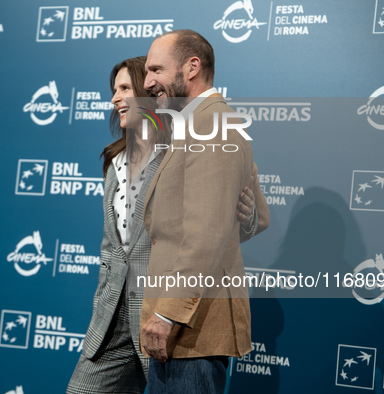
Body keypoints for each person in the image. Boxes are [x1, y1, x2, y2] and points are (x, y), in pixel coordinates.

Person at [66, 55, 268, 394]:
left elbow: (237, 222)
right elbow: (113, 245)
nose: (115, 98)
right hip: (111, 315)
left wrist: (245, 217)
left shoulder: (190, 142)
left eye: (126, 87)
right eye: (113, 90)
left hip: (166, 311)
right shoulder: (114, 159)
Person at [139, 30, 265, 393]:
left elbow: (205, 235)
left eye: (156, 70)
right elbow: (253, 213)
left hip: (191, 328)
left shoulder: (211, 124)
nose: (148, 82)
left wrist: (167, 314)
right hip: (183, 328)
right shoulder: (199, 122)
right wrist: (243, 215)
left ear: (192, 67)